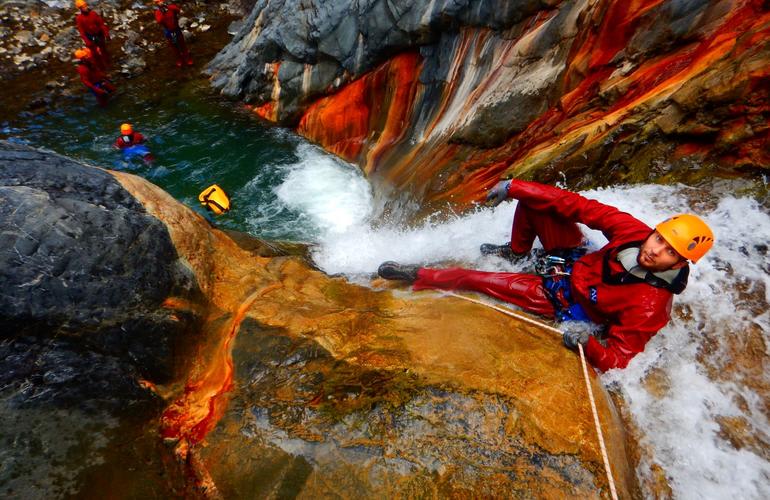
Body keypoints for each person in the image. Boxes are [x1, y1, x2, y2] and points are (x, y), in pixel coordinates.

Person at [377, 179, 714, 371]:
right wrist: (515, 187)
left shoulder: (650, 305)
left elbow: (619, 359)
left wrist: (589, 344)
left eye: (670, 251)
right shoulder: (633, 233)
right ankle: (517, 251)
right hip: (575, 262)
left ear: (678, 264)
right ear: (653, 231)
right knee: (537, 205)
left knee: (477, 280)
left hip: (561, 299)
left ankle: (418, 275)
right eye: (659, 238)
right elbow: (579, 206)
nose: (655, 250)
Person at [153, 0, 193, 67]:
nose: (160, 3)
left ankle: (187, 59)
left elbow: (178, 10)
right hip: (169, 32)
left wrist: (169, 8)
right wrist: (163, 13)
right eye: (158, 2)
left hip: (176, 29)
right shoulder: (158, 12)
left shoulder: (170, 7)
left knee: (182, 45)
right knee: (174, 46)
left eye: (161, 1)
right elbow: (159, 21)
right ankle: (179, 60)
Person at [75, 0, 110, 71]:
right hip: (90, 37)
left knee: (104, 50)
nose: (85, 8)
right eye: (83, 7)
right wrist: (87, 41)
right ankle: (101, 68)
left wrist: (106, 33)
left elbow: (101, 24)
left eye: (85, 6)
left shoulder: (93, 14)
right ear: (80, 9)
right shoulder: (79, 18)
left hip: (99, 34)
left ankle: (108, 64)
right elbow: (82, 31)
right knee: (95, 54)